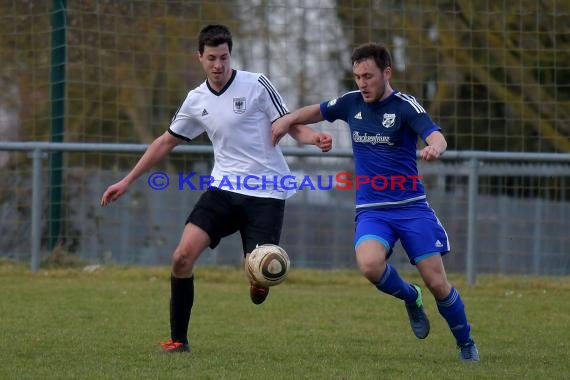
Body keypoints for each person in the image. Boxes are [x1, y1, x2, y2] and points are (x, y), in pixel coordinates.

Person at [100, 24, 332, 353]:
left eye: (223, 57)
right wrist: (127, 180)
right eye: (211, 58)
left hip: (266, 193)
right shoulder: (196, 100)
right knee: (181, 257)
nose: (218, 65)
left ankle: (257, 279)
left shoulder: (256, 84)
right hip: (222, 190)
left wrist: (314, 138)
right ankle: (178, 340)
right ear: (200, 58)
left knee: (259, 271)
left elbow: (289, 123)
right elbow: (166, 141)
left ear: (230, 55)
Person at [271, 42, 480, 362]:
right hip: (372, 211)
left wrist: (435, 147)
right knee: (369, 265)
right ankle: (411, 297)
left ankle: (465, 341)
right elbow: (312, 111)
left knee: (437, 282)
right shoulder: (350, 103)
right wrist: (285, 122)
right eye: (356, 77)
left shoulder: (405, 105)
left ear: (386, 73)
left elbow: (436, 134)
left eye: (368, 76)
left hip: (411, 207)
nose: (362, 83)